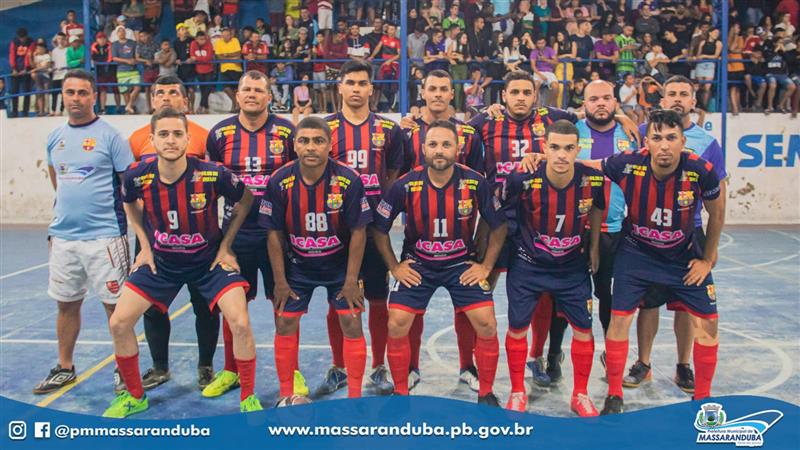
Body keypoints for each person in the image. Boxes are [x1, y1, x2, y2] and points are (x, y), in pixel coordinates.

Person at [105, 108, 261, 417]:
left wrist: (226, 246)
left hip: (209, 264)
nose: (171, 140)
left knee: (241, 322)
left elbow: (246, 199)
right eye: (163, 134)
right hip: (162, 264)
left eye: (177, 134)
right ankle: (135, 397)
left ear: (188, 139)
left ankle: (248, 399)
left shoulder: (212, 173)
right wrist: (145, 246)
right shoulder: (137, 175)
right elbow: (128, 203)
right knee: (119, 323)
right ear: (152, 140)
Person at [374, 119, 507, 405]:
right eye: (433, 144)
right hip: (418, 265)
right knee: (396, 322)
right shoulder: (405, 185)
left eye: (446, 144)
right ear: (423, 149)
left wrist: (485, 266)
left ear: (457, 149)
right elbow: (379, 228)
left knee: (486, 323)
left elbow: (499, 226)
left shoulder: (475, 182)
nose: (439, 150)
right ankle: (400, 391)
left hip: (461, 265)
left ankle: (486, 392)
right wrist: (394, 267)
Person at [624, 75, 728, 394]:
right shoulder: (643, 132)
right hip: (646, 233)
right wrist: (620, 116)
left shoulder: (708, 144)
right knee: (648, 304)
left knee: (685, 306)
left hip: (687, 233)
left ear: (693, 102)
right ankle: (643, 362)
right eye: (672, 93)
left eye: (685, 94)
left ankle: (684, 365)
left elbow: (719, 205)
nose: (678, 99)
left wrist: (709, 253)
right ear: (663, 99)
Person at [204, 70, 302, 399]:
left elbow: (299, 180)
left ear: (269, 97)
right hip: (236, 238)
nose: (252, 95)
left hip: (277, 235)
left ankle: (292, 373)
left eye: (259, 90)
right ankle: (231, 371)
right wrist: (219, 242)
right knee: (233, 308)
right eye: (246, 89)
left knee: (285, 305)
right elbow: (210, 188)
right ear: (237, 95)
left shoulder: (287, 132)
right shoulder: (220, 134)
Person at [260, 116, 371, 403]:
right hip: (298, 267)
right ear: (295, 145)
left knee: (352, 321)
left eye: (318, 141)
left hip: (340, 266)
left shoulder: (348, 179)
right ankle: (286, 396)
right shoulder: (279, 180)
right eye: (304, 140)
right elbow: (273, 234)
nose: (311, 147)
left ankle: (355, 399)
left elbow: (359, 232)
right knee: (285, 322)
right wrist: (280, 281)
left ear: (330, 145)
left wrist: (351, 280)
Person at [35, 70, 133, 395]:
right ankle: (65, 367)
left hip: (106, 237)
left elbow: (129, 186)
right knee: (66, 304)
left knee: (116, 308)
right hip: (64, 238)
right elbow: (57, 179)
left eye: (82, 92)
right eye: (70, 92)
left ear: (94, 96)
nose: (76, 98)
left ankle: (124, 370)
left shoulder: (111, 137)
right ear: (62, 96)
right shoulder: (55, 137)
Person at [502, 119, 605, 416]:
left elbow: (597, 209)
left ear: (578, 149)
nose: (561, 154)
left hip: (572, 267)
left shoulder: (592, 179)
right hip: (528, 265)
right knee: (517, 328)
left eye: (569, 148)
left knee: (584, 329)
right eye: (555, 147)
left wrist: (594, 247)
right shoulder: (522, 178)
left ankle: (580, 394)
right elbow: (504, 218)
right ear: (544, 148)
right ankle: (517, 391)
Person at [320, 60, 406, 396]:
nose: (356, 89)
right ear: (340, 87)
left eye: (362, 83)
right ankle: (339, 366)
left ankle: (378, 366)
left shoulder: (388, 129)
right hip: (336, 230)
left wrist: (381, 212)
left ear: (371, 89)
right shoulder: (325, 127)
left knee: (377, 299)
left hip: (373, 230)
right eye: (350, 82)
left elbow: (393, 175)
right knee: (338, 299)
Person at [126, 75, 216, 391]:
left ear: (185, 101)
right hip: (155, 237)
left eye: (173, 92)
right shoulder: (137, 139)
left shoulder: (203, 137)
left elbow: (215, 183)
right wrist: (143, 240)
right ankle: (159, 367)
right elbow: (130, 192)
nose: (166, 97)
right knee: (152, 304)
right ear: (152, 100)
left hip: (198, 238)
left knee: (205, 304)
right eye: (160, 92)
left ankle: (205, 366)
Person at [399, 70, 483, 391]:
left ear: (451, 94)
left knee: (467, 306)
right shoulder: (406, 132)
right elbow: (398, 178)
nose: (437, 94)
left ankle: (467, 366)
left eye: (443, 89)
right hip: (418, 240)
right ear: (422, 92)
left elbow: (478, 181)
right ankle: (410, 366)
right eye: (431, 88)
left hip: (460, 238)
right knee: (412, 308)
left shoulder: (468, 134)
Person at [111, 26, 142, 114]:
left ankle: (129, 105)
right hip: (122, 70)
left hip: (133, 70)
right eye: (119, 31)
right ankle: (129, 109)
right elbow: (114, 58)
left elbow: (136, 54)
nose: (121, 33)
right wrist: (127, 61)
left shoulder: (132, 43)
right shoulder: (115, 44)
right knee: (125, 91)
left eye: (123, 31)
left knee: (137, 87)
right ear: (117, 33)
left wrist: (135, 60)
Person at [214, 27, 243, 112]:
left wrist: (226, 55)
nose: (225, 37)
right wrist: (233, 58)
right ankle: (235, 103)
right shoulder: (218, 42)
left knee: (236, 89)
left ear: (231, 35)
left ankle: (235, 106)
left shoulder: (235, 40)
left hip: (236, 68)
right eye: (224, 35)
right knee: (226, 88)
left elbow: (238, 53)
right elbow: (219, 57)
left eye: (227, 35)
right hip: (224, 69)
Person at [8, 27, 35, 118]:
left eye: (23, 37)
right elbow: (12, 55)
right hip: (16, 69)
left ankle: (25, 111)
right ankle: (14, 111)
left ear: (26, 36)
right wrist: (13, 68)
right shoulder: (14, 42)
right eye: (20, 38)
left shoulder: (30, 42)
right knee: (14, 91)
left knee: (27, 90)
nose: (22, 39)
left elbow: (29, 55)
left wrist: (26, 68)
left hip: (25, 70)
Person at [188, 31, 213, 113]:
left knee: (208, 88)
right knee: (203, 89)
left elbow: (208, 58)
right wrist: (198, 59)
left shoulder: (209, 44)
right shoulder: (193, 44)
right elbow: (192, 55)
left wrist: (197, 58)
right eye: (200, 39)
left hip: (209, 69)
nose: (202, 41)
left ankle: (201, 106)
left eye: (203, 39)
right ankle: (206, 107)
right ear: (196, 39)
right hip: (199, 70)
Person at [30, 42, 52, 116]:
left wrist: (36, 69)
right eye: (37, 49)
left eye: (40, 48)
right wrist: (32, 56)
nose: (38, 50)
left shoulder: (47, 56)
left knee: (46, 92)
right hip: (38, 76)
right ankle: (41, 111)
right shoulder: (36, 57)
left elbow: (46, 66)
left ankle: (48, 110)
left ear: (44, 49)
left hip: (45, 75)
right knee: (39, 93)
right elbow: (33, 65)